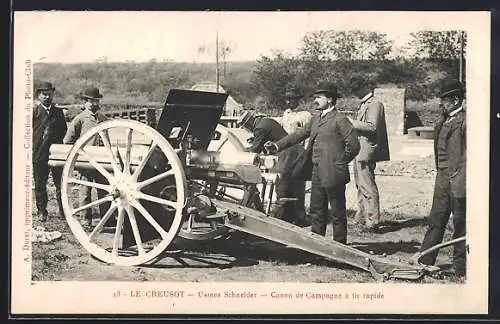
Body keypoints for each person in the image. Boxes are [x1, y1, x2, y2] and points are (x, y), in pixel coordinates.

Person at [265, 82, 360, 244]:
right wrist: (277, 145)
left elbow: (354, 145)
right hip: (316, 171)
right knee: (317, 210)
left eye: (319, 97)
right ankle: (316, 244)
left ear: (330, 100)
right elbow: (299, 134)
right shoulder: (316, 118)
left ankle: (339, 246)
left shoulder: (340, 119)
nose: (315, 100)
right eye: (315, 97)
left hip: (333, 172)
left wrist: (340, 162)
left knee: (337, 211)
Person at [419, 79, 467, 277]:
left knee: (461, 224)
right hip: (442, 179)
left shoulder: (466, 121)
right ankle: (424, 261)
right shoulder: (443, 121)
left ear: (456, 100)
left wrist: (460, 178)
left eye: (445, 100)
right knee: (436, 220)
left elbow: (469, 156)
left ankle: (460, 267)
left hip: (459, 181)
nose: (441, 104)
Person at [237, 110, 307, 226]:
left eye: (246, 127)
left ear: (249, 123)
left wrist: (244, 151)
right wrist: (256, 140)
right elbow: (274, 136)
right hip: (296, 151)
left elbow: (255, 150)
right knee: (295, 186)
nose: (247, 130)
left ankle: (282, 219)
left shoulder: (260, 128)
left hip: (287, 154)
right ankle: (299, 217)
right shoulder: (267, 121)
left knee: (282, 186)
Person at [63, 87, 110, 228]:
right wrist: (79, 154)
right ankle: (86, 220)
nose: (94, 104)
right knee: (85, 192)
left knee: (105, 191)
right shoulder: (80, 119)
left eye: (96, 101)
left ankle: (107, 219)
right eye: (90, 101)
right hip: (86, 162)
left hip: (102, 162)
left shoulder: (103, 119)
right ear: (85, 102)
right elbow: (67, 140)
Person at [347, 83, 390, 231]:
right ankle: (362, 216)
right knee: (360, 185)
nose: (354, 93)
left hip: (367, 151)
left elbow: (372, 127)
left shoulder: (375, 104)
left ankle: (373, 221)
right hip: (360, 150)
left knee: (367, 186)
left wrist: (351, 123)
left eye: (356, 89)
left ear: (364, 88)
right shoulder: (366, 104)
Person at [32, 82, 67, 221]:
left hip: (56, 153)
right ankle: (42, 211)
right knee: (40, 184)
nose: (47, 97)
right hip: (39, 154)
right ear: (38, 96)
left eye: (49, 94)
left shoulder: (58, 113)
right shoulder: (34, 112)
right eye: (44, 94)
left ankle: (63, 212)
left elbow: (65, 131)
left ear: (52, 95)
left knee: (60, 183)